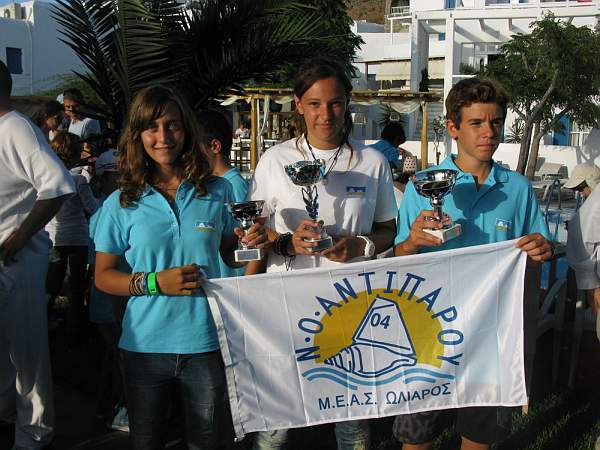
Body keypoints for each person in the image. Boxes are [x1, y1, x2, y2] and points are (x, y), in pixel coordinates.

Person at [92, 85, 266, 449]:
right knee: (147, 443)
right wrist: (155, 283)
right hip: (143, 345)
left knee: (207, 443)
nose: (163, 136)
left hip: (206, 341)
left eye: (172, 125)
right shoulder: (121, 202)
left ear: (186, 129)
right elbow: (104, 277)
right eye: (151, 127)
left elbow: (229, 254)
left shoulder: (217, 191)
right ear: (137, 135)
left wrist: (252, 245)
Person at [246, 57, 397, 450]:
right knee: (277, 420)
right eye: (314, 104)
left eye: (335, 103)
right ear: (298, 104)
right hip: (287, 303)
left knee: (352, 419)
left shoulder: (372, 162)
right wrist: (286, 243)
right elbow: (256, 233)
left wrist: (359, 245)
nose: (325, 114)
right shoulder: (274, 161)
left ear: (347, 103)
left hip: (351, 304)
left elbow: (388, 229)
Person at [393, 77, 552, 450]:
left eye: (495, 122)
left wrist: (539, 252)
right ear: (453, 127)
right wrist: (412, 242)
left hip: (492, 335)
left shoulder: (518, 188)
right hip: (428, 333)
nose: (489, 133)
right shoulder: (422, 186)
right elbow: (399, 262)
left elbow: (534, 258)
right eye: (476, 123)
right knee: (417, 439)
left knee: (479, 439)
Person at [0, 60, 75, 450]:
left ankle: (35, 431)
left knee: (26, 348)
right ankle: (7, 412)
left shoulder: (16, 128)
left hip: (17, 258)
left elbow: (58, 186)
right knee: (5, 348)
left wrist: (20, 236)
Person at [45, 131, 98, 337]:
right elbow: (92, 208)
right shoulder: (78, 180)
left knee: (52, 284)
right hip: (77, 237)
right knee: (76, 287)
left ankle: (43, 322)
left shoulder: (46, 178)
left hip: (54, 238)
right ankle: (75, 329)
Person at [197, 109, 249, 278]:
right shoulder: (209, 185)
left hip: (232, 281)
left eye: (194, 147)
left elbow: (246, 241)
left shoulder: (235, 186)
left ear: (214, 146)